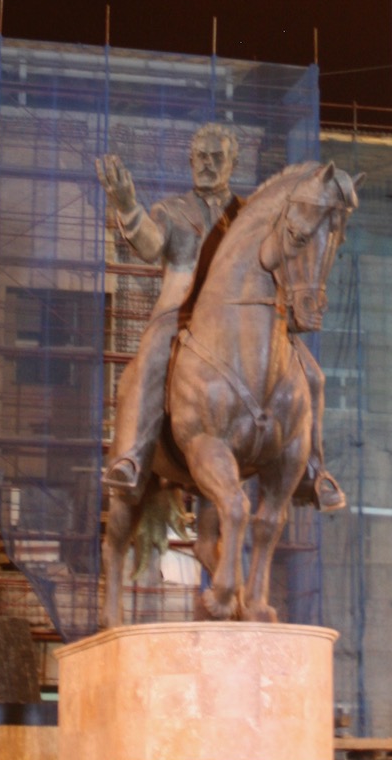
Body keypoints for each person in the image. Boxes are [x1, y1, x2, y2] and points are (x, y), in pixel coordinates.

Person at [96, 123, 345, 510]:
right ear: (190, 160)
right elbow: (150, 245)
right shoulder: (173, 211)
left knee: (311, 373)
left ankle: (314, 469)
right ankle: (133, 453)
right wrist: (128, 206)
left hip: (245, 322)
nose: (207, 165)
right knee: (153, 357)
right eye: (200, 157)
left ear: (234, 163)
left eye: (217, 157)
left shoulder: (252, 214)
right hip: (183, 312)